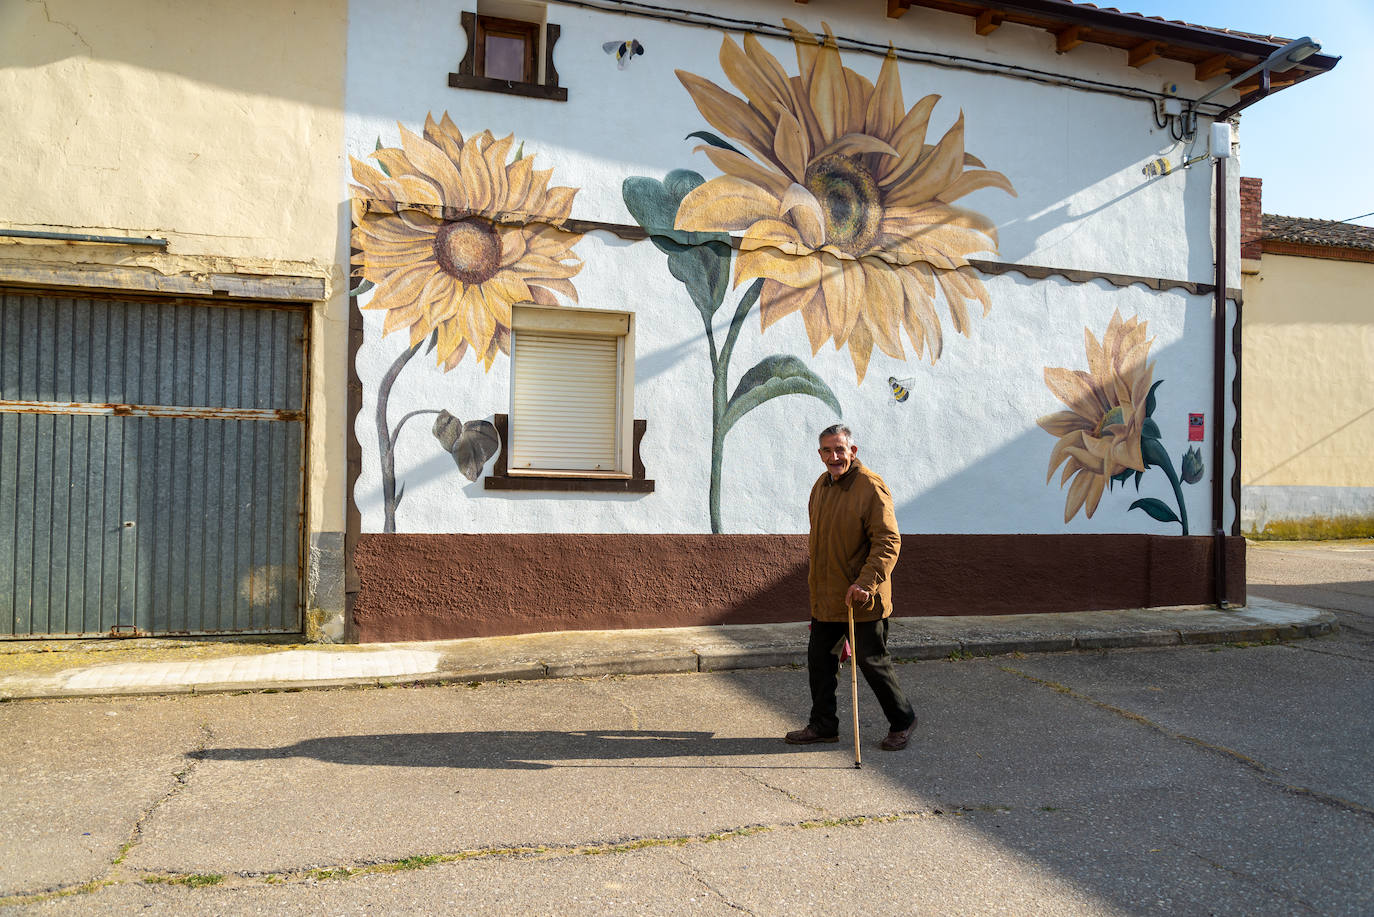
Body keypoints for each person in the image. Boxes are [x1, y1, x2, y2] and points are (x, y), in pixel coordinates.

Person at [784, 424, 917, 752]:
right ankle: (823, 725)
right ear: (820, 455)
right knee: (820, 662)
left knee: (872, 662)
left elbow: (888, 541)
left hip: (861, 597)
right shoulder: (821, 486)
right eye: (827, 451)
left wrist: (866, 583)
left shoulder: (870, 486)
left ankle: (903, 720)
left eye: (840, 449)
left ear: (852, 451)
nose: (834, 456)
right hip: (828, 598)